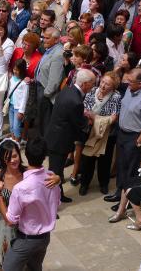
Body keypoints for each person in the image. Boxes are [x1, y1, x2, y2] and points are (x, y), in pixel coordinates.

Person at [0, 139, 60, 271]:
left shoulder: (27, 172)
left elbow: (42, 175)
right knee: (3, 257)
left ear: (21, 155)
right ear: (2, 159)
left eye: (15, 156)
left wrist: (57, 178)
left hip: (21, 227)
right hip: (2, 224)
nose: (12, 160)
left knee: (21, 262)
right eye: (7, 157)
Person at [2, 136, 60, 270]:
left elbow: (11, 220)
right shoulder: (52, 177)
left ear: (25, 154)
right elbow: (57, 203)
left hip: (27, 240)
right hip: (45, 238)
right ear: (45, 156)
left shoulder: (21, 188)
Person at [105, 69, 141, 204]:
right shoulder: (130, 89)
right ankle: (119, 192)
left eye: (131, 81)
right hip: (122, 133)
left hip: (134, 137)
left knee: (130, 169)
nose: (127, 83)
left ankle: (127, 200)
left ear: (140, 83)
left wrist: (139, 142)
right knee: (121, 165)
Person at [45, 69, 95, 203]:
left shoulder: (67, 90)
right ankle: (51, 201)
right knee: (54, 172)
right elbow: (79, 123)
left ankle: (58, 195)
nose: (93, 87)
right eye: (92, 83)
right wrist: (89, 120)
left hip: (56, 136)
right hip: (59, 141)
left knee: (57, 170)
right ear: (85, 84)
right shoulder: (76, 101)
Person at [79, 72, 122, 195]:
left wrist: (95, 118)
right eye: (103, 82)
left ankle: (103, 184)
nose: (103, 86)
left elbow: (114, 117)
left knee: (105, 160)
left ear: (113, 87)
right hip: (90, 130)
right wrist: (96, 118)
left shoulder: (116, 97)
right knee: (87, 158)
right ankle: (84, 184)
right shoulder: (92, 91)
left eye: (107, 84)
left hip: (107, 133)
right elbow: (85, 109)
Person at [36, 27, 65, 135]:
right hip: (41, 88)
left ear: (56, 40)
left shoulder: (58, 54)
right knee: (41, 121)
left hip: (46, 93)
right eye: (43, 37)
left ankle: (45, 147)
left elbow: (54, 80)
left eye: (47, 38)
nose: (44, 40)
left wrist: (46, 94)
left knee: (45, 123)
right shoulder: (50, 49)